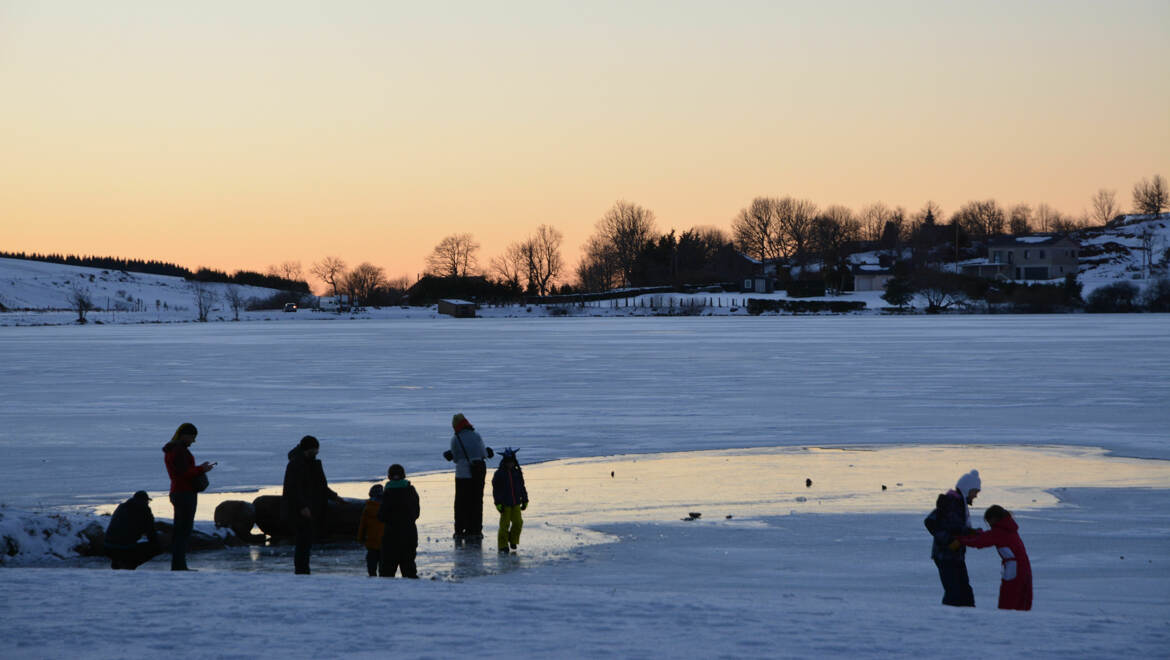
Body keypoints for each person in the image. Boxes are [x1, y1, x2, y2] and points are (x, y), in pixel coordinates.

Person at [281, 435, 344, 575]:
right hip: (300, 510)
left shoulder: (312, 464)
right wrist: (302, 507)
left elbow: (320, 486)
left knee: (307, 542)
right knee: (302, 542)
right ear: (307, 449)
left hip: (312, 507)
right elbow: (293, 489)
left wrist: (334, 497)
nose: (316, 452)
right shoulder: (295, 465)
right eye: (314, 450)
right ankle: (301, 571)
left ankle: (304, 570)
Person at [924, 469, 981, 606]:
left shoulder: (959, 503)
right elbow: (930, 522)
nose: (976, 496)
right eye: (975, 492)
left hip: (955, 555)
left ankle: (966, 620)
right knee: (955, 592)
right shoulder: (952, 502)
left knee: (964, 592)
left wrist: (971, 533)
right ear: (967, 489)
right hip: (946, 556)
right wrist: (949, 541)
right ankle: (949, 622)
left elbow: (954, 527)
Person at [960, 505, 1033, 611]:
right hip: (1024, 566)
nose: (988, 524)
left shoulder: (1000, 531)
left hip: (1014, 567)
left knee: (1008, 597)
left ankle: (1006, 620)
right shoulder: (1009, 528)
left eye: (988, 520)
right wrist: (978, 533)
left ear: (994, 519)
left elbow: (980, 541)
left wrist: (960, 539)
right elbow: (987, 536)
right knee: (1022, 598)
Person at [162, 422, 214, 571]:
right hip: (185, 493)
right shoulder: (179, 451)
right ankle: (179, 565)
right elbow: (184, 473)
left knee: (181, 530)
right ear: (184, 435)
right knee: (183, 531)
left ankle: (179, 564)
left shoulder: (174, 449)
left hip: (178, 492)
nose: (193, 441)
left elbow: (183, 471)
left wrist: (199, 469)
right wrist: (202, 469)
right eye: (192, 437)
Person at [442, 413, 493, 542]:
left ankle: (460, 530)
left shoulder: (456, 438)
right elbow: (483, 453)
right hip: (478, 473)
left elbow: (456, 458)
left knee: (461, 503)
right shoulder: (476, 435)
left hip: (462, 475)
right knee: (476, 502)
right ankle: (475, 530)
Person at [377, 464, 420, 578]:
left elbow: (381, 516)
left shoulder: (386, 493)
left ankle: (387, 595)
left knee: (387, 571)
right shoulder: (410, 490)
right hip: (409, 533)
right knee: (409, 569)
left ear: (389, 476)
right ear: (404, 476)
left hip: (390, 535)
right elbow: (416, 513)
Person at [104, 490, 162, 570]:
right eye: (147, 501)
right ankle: (129, 565)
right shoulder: (144, 510)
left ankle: (117, 562)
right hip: (124, 547)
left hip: (108, 546)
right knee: (156, 547)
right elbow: (151, 533)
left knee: (123, 542)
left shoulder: (122, 507)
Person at [492, 447, 528, 554]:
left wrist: (525, 499)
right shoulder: (499, 474)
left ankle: (513, 540)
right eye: (508, 462)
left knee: (518, 523)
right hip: (505, 504)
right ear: (504, 462)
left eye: (511, 462)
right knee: (504, 526)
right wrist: (498, 503)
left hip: (516, 502)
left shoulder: (517, 472)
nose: (510, 464)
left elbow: (522, 487)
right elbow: (496, 490)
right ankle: (503, 545)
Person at [357, 484, 386, 577]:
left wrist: (360, 538)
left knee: (371, 566)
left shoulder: (368, 508)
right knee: (384, 567)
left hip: (371, 542)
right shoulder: (387, 508)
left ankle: (372, 578)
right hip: (385, 542)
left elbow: (362, 525)